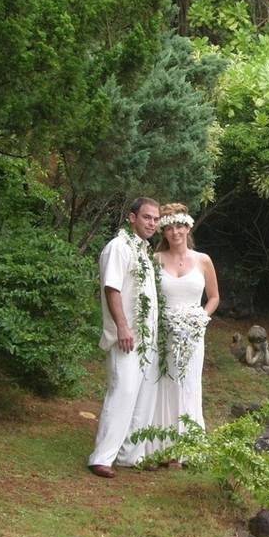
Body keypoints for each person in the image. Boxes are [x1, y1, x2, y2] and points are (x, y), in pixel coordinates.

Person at [87, 198, 161, 478]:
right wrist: (123, 326)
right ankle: (101, 457)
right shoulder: (119, 247)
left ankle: (130, 454)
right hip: (126, 336)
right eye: (147, 217)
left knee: (140, 397)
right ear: (132, 218)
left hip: (145, 338)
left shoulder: (143, 251)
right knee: (122, 392)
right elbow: (112, 288)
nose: (152, 223)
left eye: (155, 219)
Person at [152, 203, 220, 466]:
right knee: (166, 386)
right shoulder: (156, 260)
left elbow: (214, 297)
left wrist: (201, 318)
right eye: (168, 227)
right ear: (163, 232)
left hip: (193, 334)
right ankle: (165, 446)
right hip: (165, 333)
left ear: (188, 226)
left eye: (179, 226)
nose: (175, 232)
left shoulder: (203, 260)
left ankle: (189, 448)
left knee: (189, 386)